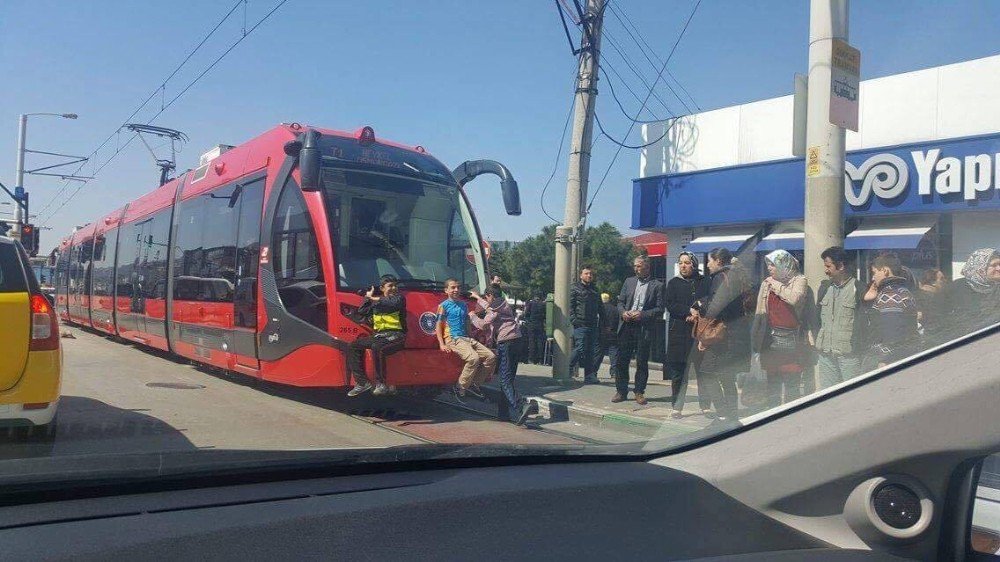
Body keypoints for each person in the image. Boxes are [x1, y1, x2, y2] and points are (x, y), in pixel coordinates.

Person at [691, 248, 751, 423]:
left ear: (718, 261)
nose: (708, 265)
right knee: (727, 377)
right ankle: (731, 415)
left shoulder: (719, 277)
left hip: (723, 337)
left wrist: (700, 306)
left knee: (707, 373)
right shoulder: (737, 276)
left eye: (710, 261)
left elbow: (716, 307)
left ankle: (723, 413)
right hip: (737, 334)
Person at [469, 285, 537, 425]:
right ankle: (503, 413)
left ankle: (522, 405)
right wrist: (477, 297)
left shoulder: (494, 307)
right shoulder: (503, 303)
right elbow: (489, 306)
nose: (485, 300)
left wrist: (473, 317)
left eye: (486, 297)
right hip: (517, 340)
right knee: (508, 378)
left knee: (505, 380)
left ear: (490, 296)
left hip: (506, 343)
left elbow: (484, 324)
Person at [750, 250, 810, 407]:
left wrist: (775, 284)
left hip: (791, 341)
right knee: (773, 384)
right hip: (769, 340)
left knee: (792, 384)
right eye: (768, 265)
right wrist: (755, 339)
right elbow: (760, 311)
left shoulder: (799, 280)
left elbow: (795, 298)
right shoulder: (766, 283)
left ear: (784, 264)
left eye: (773, 265)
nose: (770, 268)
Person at [813, 246, 867, 390]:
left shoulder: (859, 288)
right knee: (828, 397)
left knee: (852, 396)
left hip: (849, 356)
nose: (826, 270)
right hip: (825, 355)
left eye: (828, 266)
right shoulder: (824, 288)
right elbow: (817, 319)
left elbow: (865, 323)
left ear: (841, 266)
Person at [613, 256, 665, 405]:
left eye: (639, 266)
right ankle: (621, 391)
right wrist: (623, 312)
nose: (635, 269)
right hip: (627, 325)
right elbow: (620, 302)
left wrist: (642, 314)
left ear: (647, 268)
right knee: (622, 360)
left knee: (642, 361)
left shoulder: (657, 285)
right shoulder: (628, 282)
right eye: (634, 266)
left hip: (643, 327)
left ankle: (639, 391)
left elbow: (659, 309)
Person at [436, 278, 497, 402]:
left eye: (458, 287)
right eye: (453, 287)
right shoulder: (443, 306)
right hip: (453, 339)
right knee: (473, 358)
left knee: (491, 357)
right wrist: (442, 344)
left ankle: (474, 384)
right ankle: (460, 387)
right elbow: (438, 325)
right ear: (446, 290)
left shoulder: (464, 305)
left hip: (467, 339)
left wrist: (472, 338)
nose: (456, 290)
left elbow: (467, 322)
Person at [347, 275, 408, 397]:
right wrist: (368, 296)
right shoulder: (376, 301)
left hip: (396, 336)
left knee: (377, 346)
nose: (394, 288)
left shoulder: (399, 299)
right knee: (353, 345)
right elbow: (362, 311)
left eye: (395, 285)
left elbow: (391, 304)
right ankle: (362, 382)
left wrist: (373, 298)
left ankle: (381, 383)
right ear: (382, 288)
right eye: (390, 286)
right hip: (380, 336)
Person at [664, 252, 708, 418]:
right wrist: (686, 311)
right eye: (681, 262)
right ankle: (677, 407)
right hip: (679, 334)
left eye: (687, 263)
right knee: (679, 374)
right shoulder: (674, 283)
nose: (683, 266)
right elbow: (669, 303)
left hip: (699, 334)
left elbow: (709, 299)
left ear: (694, 264)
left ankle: (705, 405)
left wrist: (698, 311)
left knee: (703, 371)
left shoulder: (704, 281)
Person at [862, 254, 919, 370]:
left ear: (885, 270)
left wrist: (885, 361)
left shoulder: (890, 295)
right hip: (904, 354)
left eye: (874, 272)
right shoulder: (903, 291)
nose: (873, 278)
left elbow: (893, 333)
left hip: (885, 360)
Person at [941, 248, 1000, 338]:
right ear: (980, 267)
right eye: (994, 265)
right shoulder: (956, 288)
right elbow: (937, 317)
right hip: (959, 342)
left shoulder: (997, 288)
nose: (999, 268)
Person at [568, 265, 602, 384]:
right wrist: (574, 320)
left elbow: (600, 308)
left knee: (590, 351)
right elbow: (569, 306)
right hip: (580, 324)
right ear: (581, 275)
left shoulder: (595, 290)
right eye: (587, 273)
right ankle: (567, 370)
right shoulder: (574, 288)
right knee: (580, 348)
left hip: (592, 324)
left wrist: (604, 323)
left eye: (591, 274)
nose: (589, 276)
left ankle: (589, 375)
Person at [595, 292, 621, 382]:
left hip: (601, 334)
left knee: (598, 354)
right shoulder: (615, 309)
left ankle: (594, 372)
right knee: (614, 354)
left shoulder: (599, 309)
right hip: (613, 334)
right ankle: (614, 373)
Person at [916, 267, 947, 337]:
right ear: (933, 282)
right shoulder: (939, 300)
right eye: (941, 279)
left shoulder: (912, 297)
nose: (945, 281)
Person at [523, 294, 547, 364]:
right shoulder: (543, 304)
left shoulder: (531, 303)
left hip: (532, 324)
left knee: (531, 342)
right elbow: (544, 315)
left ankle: (531, 359)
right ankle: (540, 359)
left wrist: (528, 321)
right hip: (540, 324)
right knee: (540, 342)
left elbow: (526, 314)